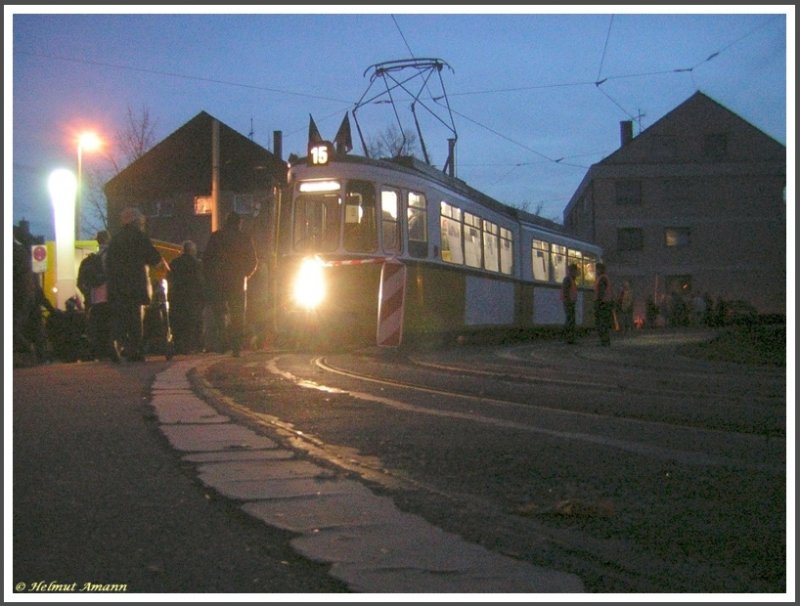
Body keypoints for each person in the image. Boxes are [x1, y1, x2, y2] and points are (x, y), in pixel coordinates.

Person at [106, 207, 167, 362]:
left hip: (117, 285)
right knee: (135, 317)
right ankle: (135, 349)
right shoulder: (139, 237)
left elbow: (109, 263)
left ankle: (118, 343)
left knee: (121, 316)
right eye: (141, 222)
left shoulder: (116, 239)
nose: (143, 224)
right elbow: (152, 257)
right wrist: (161, 265)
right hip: (135, 283)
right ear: (136, 221)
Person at [203, 211, 257, 357]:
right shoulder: (245, 238)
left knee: (220, 313)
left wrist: (211, 277)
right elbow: (253, 261)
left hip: (218, 281)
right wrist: (244, 275)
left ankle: (222, 342)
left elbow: (206, 259)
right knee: (237, 314)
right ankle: (236, 346)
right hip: (237, 282)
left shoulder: (216, 237)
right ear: (239, 223)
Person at [78, 230, 118, 361]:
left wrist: (87, 295)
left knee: (99, 325)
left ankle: (100, 351)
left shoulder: (91, 259)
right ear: (108, 239)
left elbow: (80, 282)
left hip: (95, 298)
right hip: (110, 295)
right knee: (111, 323)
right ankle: (111, 349)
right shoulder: (112, 255)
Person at [166, 240, 205, 355]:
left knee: (178, 322)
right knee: (193, 322)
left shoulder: (174, 263)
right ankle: (192, 346)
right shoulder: (197, 264)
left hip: (177, 297)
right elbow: (201, 282)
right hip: (192, 298)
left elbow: (169, 279)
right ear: (193, 251)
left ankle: (179, 345)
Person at [593, 262, 614, 346]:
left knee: (601, 323)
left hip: (602, 303)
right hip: (605, 303)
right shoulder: (604, 278)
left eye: (597, 269)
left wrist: (598, 302)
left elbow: (601, 292)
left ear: (600, 269)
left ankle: (604, 341)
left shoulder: (602, 278)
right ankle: (605, 341)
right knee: (603, 322)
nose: (596, 271)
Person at [560, 263, 579, 344]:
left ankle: (569, 338)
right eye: (575, 271)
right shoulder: (568, 279)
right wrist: (568, 300)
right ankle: (569, 338)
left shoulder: (571, 279)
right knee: (570, 320)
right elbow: (566, 292)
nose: (576, 273)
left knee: (570, 320)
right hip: (569, 303)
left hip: (570, 302)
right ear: (572, 271)